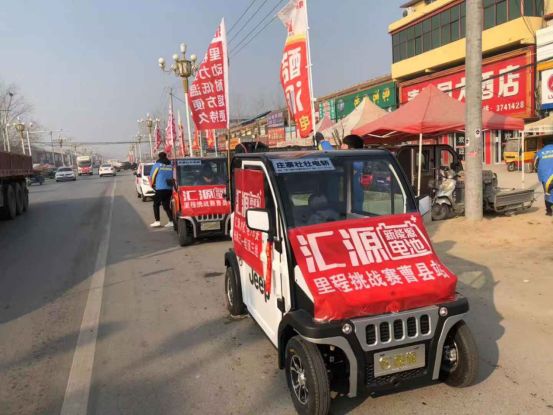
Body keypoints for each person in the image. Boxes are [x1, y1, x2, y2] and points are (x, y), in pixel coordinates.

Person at [149, 152, 174, 227]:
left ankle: (157, 221)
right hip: (169, 188)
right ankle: (171, 221)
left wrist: (152, 184)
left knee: (156, 204)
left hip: (160, 188)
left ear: (159, 157)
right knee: (166, 205)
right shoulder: (170, 165)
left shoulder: (157, 165)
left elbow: (152, 176)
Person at [342, 134, 365, 212]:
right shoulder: (357, 160)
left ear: (351, 148)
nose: (341, 146)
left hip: (355, 194)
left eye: (344, 144)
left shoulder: (355, 162)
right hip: (351, 194)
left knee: (356, 213)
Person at [534, 143, 553, 216]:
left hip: (546, 177)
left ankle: (549, 211)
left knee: (547, 194)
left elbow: (535, 165)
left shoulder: (540, 152)